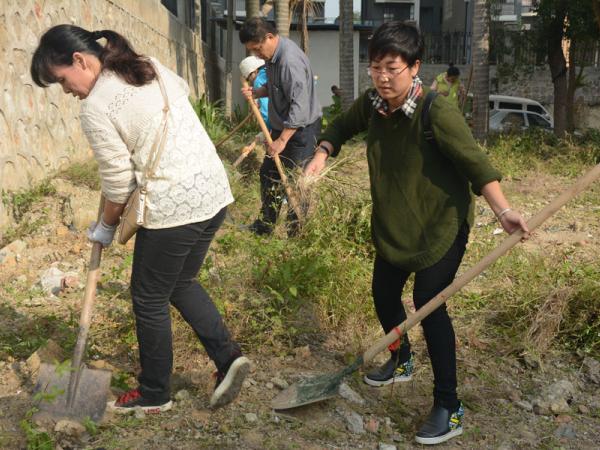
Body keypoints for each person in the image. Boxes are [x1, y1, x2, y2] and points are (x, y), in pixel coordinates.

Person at [304, 21, 529, 445]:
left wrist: (504, 211)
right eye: (375, 68)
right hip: (395, 225)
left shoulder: (435, 110)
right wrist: (321, 153)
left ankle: (449, 404)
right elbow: (339, 127)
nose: (383, 77)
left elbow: (474, 163)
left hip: (440, 227)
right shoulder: (372, 104)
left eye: (392, 67)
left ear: (414, 67)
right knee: (384, 296)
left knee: (428, 303)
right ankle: (401, 358)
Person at [30, 25, 250, 414]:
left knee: (148, 297)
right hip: (213, 192)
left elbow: (117, 184)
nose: (66, 91)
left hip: (174, 204)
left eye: (62, 80)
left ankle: (154, 392)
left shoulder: (96, 107)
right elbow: (180, 91)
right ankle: (228, 357)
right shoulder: (147, 66)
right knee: (180, 281)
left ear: (80, 61)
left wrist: (106, 226)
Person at [239, 18, 322, 237]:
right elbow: (277, 87)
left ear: (269, 37)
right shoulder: (272, 57)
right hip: (283, 127)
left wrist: (282, 140)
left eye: (257, 49)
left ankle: (297, 232)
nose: (257, 55)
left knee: (297, 181)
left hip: (301, 130)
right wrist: (258, 92)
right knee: (269, 173)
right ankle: (265, 225)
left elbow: (299, 106)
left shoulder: (289, 61)